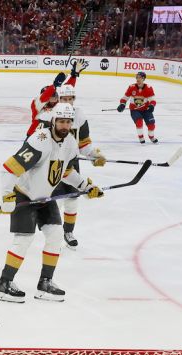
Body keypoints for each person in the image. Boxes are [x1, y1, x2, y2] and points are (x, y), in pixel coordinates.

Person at [0, 103, 102, 303]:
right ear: (53, 121)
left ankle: (45, 283)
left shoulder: (70, 142)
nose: (64, 125)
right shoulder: (40, 140)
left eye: (68, 122)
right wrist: (7, 195)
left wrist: (85, 186)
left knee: (55, 236)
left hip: (45, 198)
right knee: (23, 240)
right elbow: (10, 168)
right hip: (25, 195)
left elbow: (66, 172)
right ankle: (4, 284)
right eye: (61, 121)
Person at [53, 81, 105, 250]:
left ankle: (68, 232)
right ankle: (53, 237)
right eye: (64, 98)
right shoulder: (51, 115)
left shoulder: (79, 115)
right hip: (53, 165)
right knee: (55, 202)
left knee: (72, 200)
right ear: (59, 99)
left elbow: (83, 144)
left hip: (72, 163)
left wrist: (93, 156)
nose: (67, 101)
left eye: (70, 98)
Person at [117, 71, 156, 143]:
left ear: (144, 78)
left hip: (146, 110)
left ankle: (151, 136)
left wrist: (151, 106)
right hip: (135, 110)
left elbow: (152, 100)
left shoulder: (148, 88)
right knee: (139, 122)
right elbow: (124, 98)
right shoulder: (131, 87)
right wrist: (122, 104)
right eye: (137, 77)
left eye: (140, 77)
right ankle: (141, 137)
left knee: (151, 125)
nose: (137, 79)